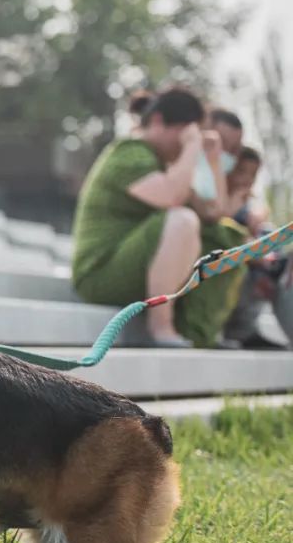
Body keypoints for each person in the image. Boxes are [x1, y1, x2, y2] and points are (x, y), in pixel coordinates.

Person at [72, 87, 247, 348]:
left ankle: (199, 334)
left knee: (222, 236)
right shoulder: (128, 152)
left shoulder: (166, 166)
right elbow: (172, 198)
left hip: (133, 268)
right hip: (100, 273)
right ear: (156, 122)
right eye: (186, 132)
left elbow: (214, 213)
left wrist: (211, 159)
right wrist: (191, 147)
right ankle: (161, 327)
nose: (189, 141)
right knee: (182, 220)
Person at [221, 147, 293, 349]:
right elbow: (224, 228)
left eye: (253, 175)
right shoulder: (219, 203)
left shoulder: (251, 210)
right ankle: (237, 329)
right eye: (242, 172)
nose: (247, 180)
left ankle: (248, 327)